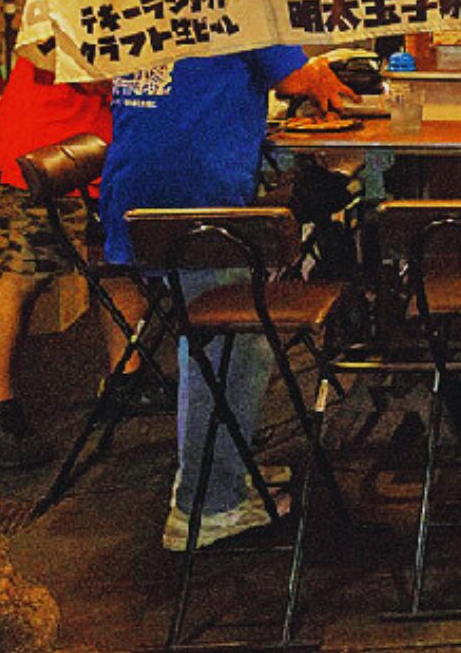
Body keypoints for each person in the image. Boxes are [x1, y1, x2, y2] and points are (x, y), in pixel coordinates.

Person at [98, 47, 353, 551]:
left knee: (212, 339)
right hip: (197, 194)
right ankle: (207, 505)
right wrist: (330, 80)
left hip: (135, 184)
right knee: (232, 345)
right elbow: (300, 78)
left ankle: (222, 467)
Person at [0, 55, 143, 468]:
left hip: (95, 156)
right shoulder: (60, 0)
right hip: (43, 153)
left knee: (118, 268)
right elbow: (66, 66)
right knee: (22, 279)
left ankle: (128, 380)